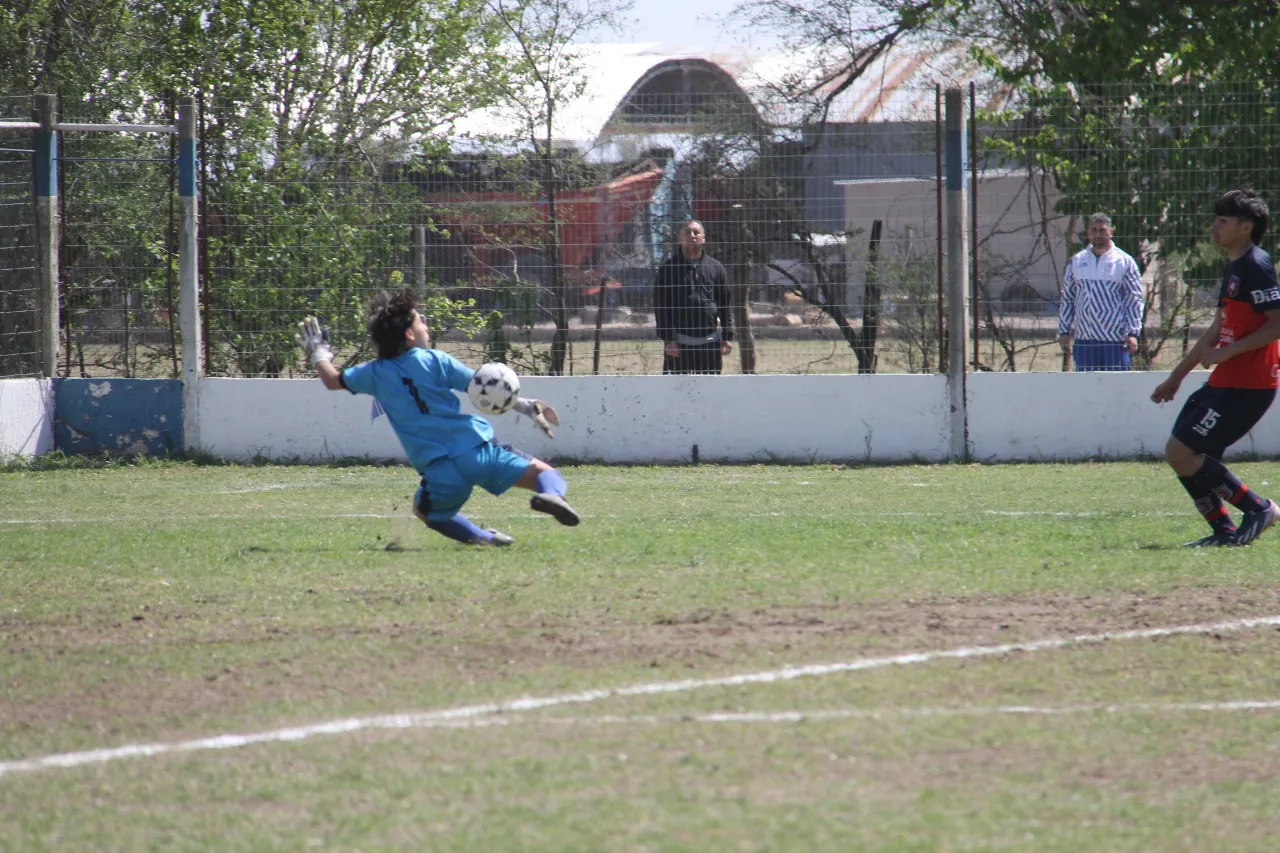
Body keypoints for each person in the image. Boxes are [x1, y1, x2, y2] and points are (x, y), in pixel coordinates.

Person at [296, 289, 580, 547]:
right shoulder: (434, 360)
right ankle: (553, 496)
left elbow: (332, 381)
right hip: (477, 452)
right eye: (421, 321)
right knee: (545, 473)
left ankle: (483, 538)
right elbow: (482, 386)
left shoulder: (373, 373)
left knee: (427, 512)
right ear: (409, 335)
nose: (426, 326)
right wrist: (527, 405)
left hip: (438, 471)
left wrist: (319, 352)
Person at [1151, 189, 1280, 547]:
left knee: (1182, 452)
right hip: (1226, 381)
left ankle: (1259, 509)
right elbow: (1216, 330)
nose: (1214, 226)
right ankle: (1222, 531)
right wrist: (1176, 377)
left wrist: (1228, 353)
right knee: (1180, 454)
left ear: (1245, 227)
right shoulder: (1235, 266)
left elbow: (1277, 323)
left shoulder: (1256, 264)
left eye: (1222, 221)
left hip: (1249, 385)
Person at [1058, 212, 1144, 371]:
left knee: (1115, 390)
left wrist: (1132, 333)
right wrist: (1063, 331)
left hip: (1114, 341)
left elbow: (1134, 300)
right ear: (1088, 232)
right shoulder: (1077, 261)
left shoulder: (1125, 262)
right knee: (1087, 390)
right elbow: (1068, 298)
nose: (1098, 235)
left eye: (1102, 230)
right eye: (1094, 230)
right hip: (1084, 341)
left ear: (1111, 231)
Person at [653, 219, 734, 374]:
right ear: (680, 238)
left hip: (710, 345)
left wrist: (727, 336)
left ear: (703, 238)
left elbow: (725, 304)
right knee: (676, 393)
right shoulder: (667, 270)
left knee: (709, 393)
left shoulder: (716, 268)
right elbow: (660, 307)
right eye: (687, 232)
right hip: (678, 346)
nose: (692, 236)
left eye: (696, 232)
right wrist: (668, 340)